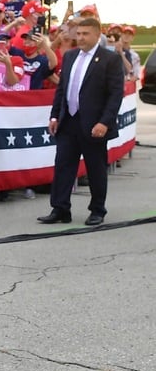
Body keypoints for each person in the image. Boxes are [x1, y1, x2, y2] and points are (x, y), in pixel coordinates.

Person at [40, 17, 124, 227]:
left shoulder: (109, 59)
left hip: (94, 125)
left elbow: (115, 95)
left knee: (95, 168)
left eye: (85, 34)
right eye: (78, 33)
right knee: (63, 166)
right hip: (68, 122)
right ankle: (60, 208)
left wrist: (105, 122)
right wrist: (54, 116)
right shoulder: (69, 57)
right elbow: (62, 90)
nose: (81, 38)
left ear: (97, 35)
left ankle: (97, 210)